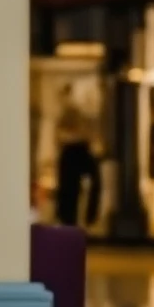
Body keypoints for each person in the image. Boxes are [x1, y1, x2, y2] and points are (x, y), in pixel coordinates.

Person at [55, 84, 101, 228]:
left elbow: (87, 135)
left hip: (78, 150)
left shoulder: (79, 113)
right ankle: (70, 219)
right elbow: (61, 136)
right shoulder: (68, 114)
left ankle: (84, 218)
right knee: (70, 188)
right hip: (72, 151)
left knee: (85, 184)